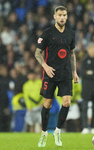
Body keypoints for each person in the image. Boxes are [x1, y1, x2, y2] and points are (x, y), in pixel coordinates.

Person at [35, 6, 79, 147]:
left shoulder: (71, 34)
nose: (62, 17)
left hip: (66, 73)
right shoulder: (47, 33)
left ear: (67, 17)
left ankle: (57, 131)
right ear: (54, 16)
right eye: (59, 15)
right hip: (50, 73)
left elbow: (72, 54)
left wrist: (74, 72)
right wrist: (45, 67)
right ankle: (43, 133)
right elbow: (37, 53)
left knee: (66, 103)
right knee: (47, 104)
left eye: (64, 15)